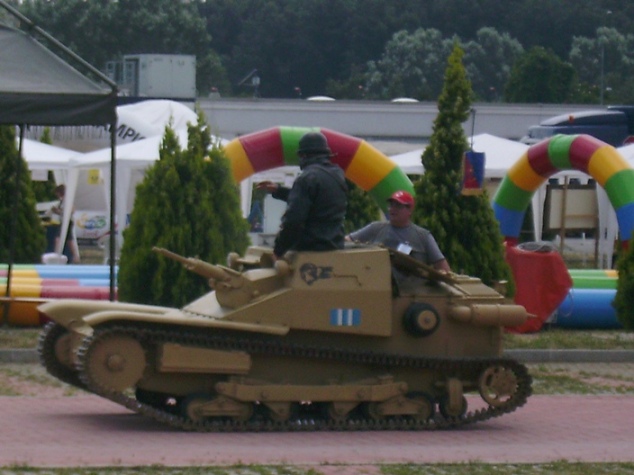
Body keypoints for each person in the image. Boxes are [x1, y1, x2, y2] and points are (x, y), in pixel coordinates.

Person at [257, 131, 347, 259]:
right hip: (334, 246)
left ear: (303, 155)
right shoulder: (338, 175)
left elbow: (294, 221)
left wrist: (278, 251)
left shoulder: (306, 178)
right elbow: (318, 202)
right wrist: (279, 190)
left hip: (309, 249)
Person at [346, 190, 451, 272]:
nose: (393, 209)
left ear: (409, 210)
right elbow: (347, 240)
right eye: (391, 205)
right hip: (377, 286)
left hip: (411, 290)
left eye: (398, 206)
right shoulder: (375, 228)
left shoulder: (423, 236)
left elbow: (443, 267)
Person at [50, 184, 80, 264]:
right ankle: (75, 256)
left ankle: (57, 254)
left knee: (58, 238)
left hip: (67, 221)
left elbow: (71, 210)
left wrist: (59, 211)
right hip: (64, 220)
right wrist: (57, 211)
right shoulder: (62, 201)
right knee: (69, 240)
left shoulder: (67, 200)